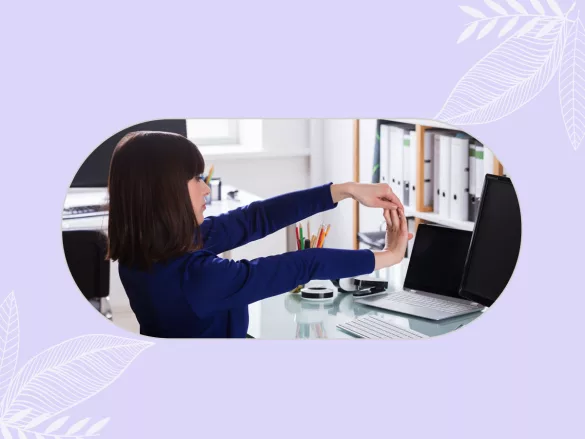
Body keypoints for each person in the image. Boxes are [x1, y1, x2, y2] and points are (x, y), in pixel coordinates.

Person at [107, 131, 412, 338]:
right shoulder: (195, 278)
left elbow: (255, 218)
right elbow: (303, 264)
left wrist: (345, 190)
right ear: (165, 193)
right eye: (195, 179)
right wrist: (389, 256)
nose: (206, 188)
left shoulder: (148, 252)